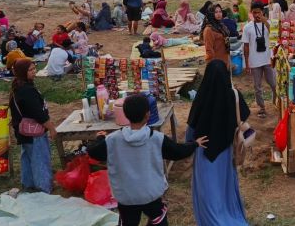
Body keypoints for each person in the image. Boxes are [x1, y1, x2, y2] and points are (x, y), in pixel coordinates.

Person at [88, 94, 206, 226]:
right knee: (158, 218)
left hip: (126, 196)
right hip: (151, 194)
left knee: (128, 222)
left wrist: (99, 138)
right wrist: (195, 144)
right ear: (148, 115)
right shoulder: (158, 139)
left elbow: (93, 152)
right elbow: (178, 152)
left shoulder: (112, 140)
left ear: (126, 115)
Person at [186, 60, 250, 225]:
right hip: (226, 152)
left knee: (208, 193)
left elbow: (191, 127)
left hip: (204, 151)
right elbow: (243, 117)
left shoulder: (201, 97)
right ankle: (230, 217)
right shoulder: (232, 95)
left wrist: (190, 146)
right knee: (225, 189)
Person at [10, 59, 56, 193]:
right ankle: (43, 188)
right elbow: (38, 114)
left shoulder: (19, 86)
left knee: (28, 157)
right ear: (22, 72)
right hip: (34, 132)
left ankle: (28, 184)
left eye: (34, 68)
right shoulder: (26, 90)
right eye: (30, 70)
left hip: (23, 131)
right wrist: (51, 128)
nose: (34, 72)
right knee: (40, 158)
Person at [243, 2, 277, 118]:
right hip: (255, 61)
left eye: (258, 12)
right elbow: (246, 46)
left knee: (273, 83)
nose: (256, 14)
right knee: (257, 86)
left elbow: (275, 35)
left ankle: (276, 101)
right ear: (251, 13)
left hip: (268, 59)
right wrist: (247, 63)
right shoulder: (248, 27)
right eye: (254, 12)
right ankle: (262, 107)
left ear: (263, 12)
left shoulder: (269, 24)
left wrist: (265, 22)